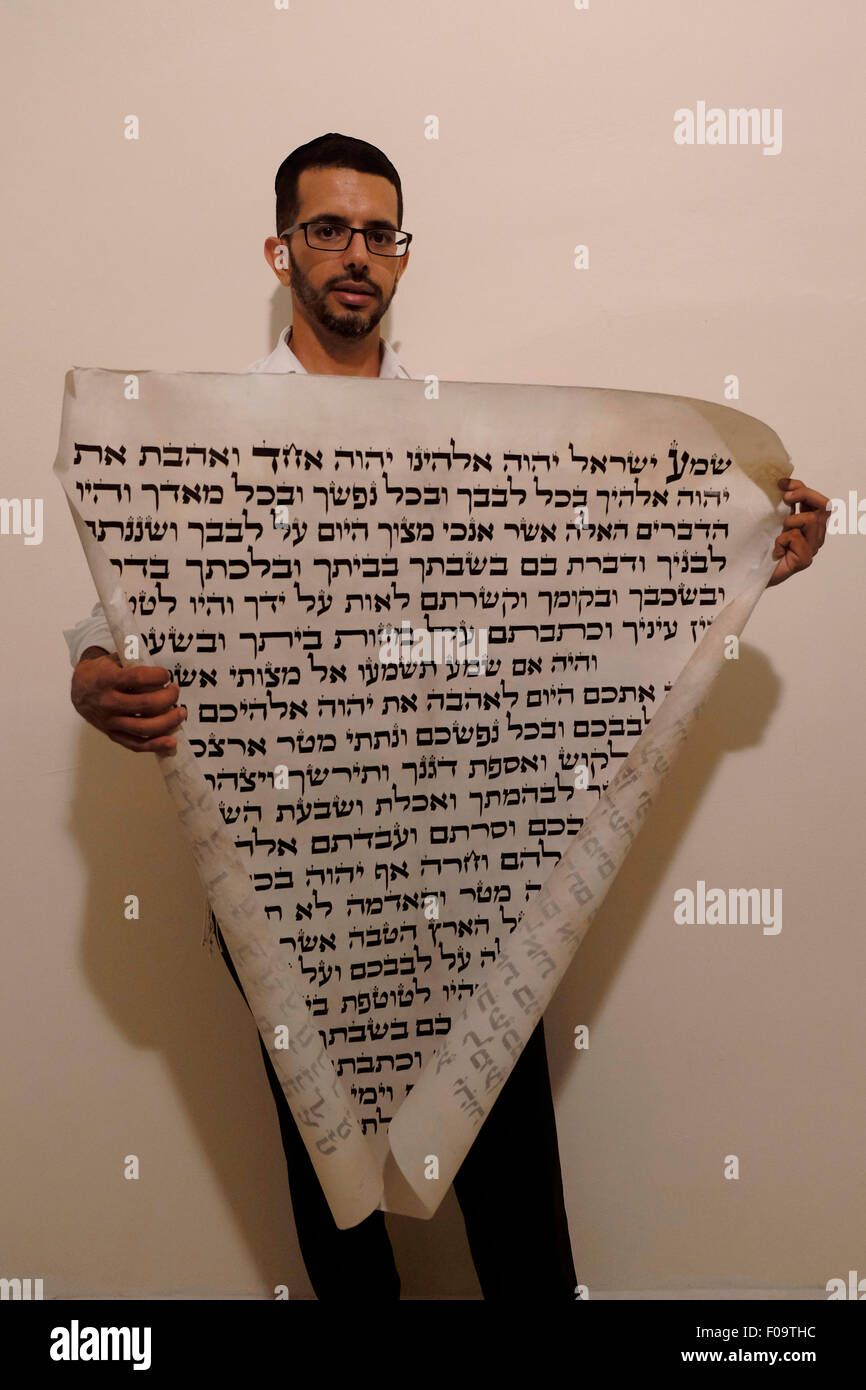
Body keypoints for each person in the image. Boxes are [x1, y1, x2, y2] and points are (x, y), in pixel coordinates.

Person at [64, 132, 831, 1300]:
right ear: (281, 250)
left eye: (379, 233)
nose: (355, 255)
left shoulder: (458, 438)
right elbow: (130, 601)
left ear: (402, 256)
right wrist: (90, 679)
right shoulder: (208, 433)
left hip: (463, 877)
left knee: (514, 1191)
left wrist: (738, 562)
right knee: (338, 1206)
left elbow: (570, 614)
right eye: (328, 229)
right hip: (285, 887)